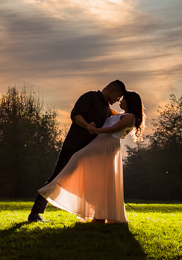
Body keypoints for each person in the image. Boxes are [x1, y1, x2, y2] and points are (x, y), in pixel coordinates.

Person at [36, 90, 144, 224]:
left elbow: (114, 128)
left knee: (79, 160)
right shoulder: (122, 114)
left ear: (130, 101)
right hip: (101, 144)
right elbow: (106, 112)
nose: (120, 100)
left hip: (106, 145)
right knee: (95, 177)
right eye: (119, 97)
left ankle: (99, 214)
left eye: (123, 99)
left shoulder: (130, 117)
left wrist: (97, 130)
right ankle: (97, 212)